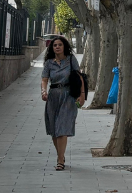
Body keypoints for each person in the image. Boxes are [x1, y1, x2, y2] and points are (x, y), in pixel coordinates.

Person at [41, 36, 86, 170]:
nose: (57, 47)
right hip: (53, 96)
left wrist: (82, 95)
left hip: (68, 96)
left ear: (64, 46)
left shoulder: (71, 60)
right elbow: (44, 79)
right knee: (54, 130)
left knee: (62, 127)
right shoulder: (49, 63)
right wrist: (43, 91)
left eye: (60, 45)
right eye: (55, 45)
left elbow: (80, 78)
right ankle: (60, 155)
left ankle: (60, 160)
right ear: (52, 48)